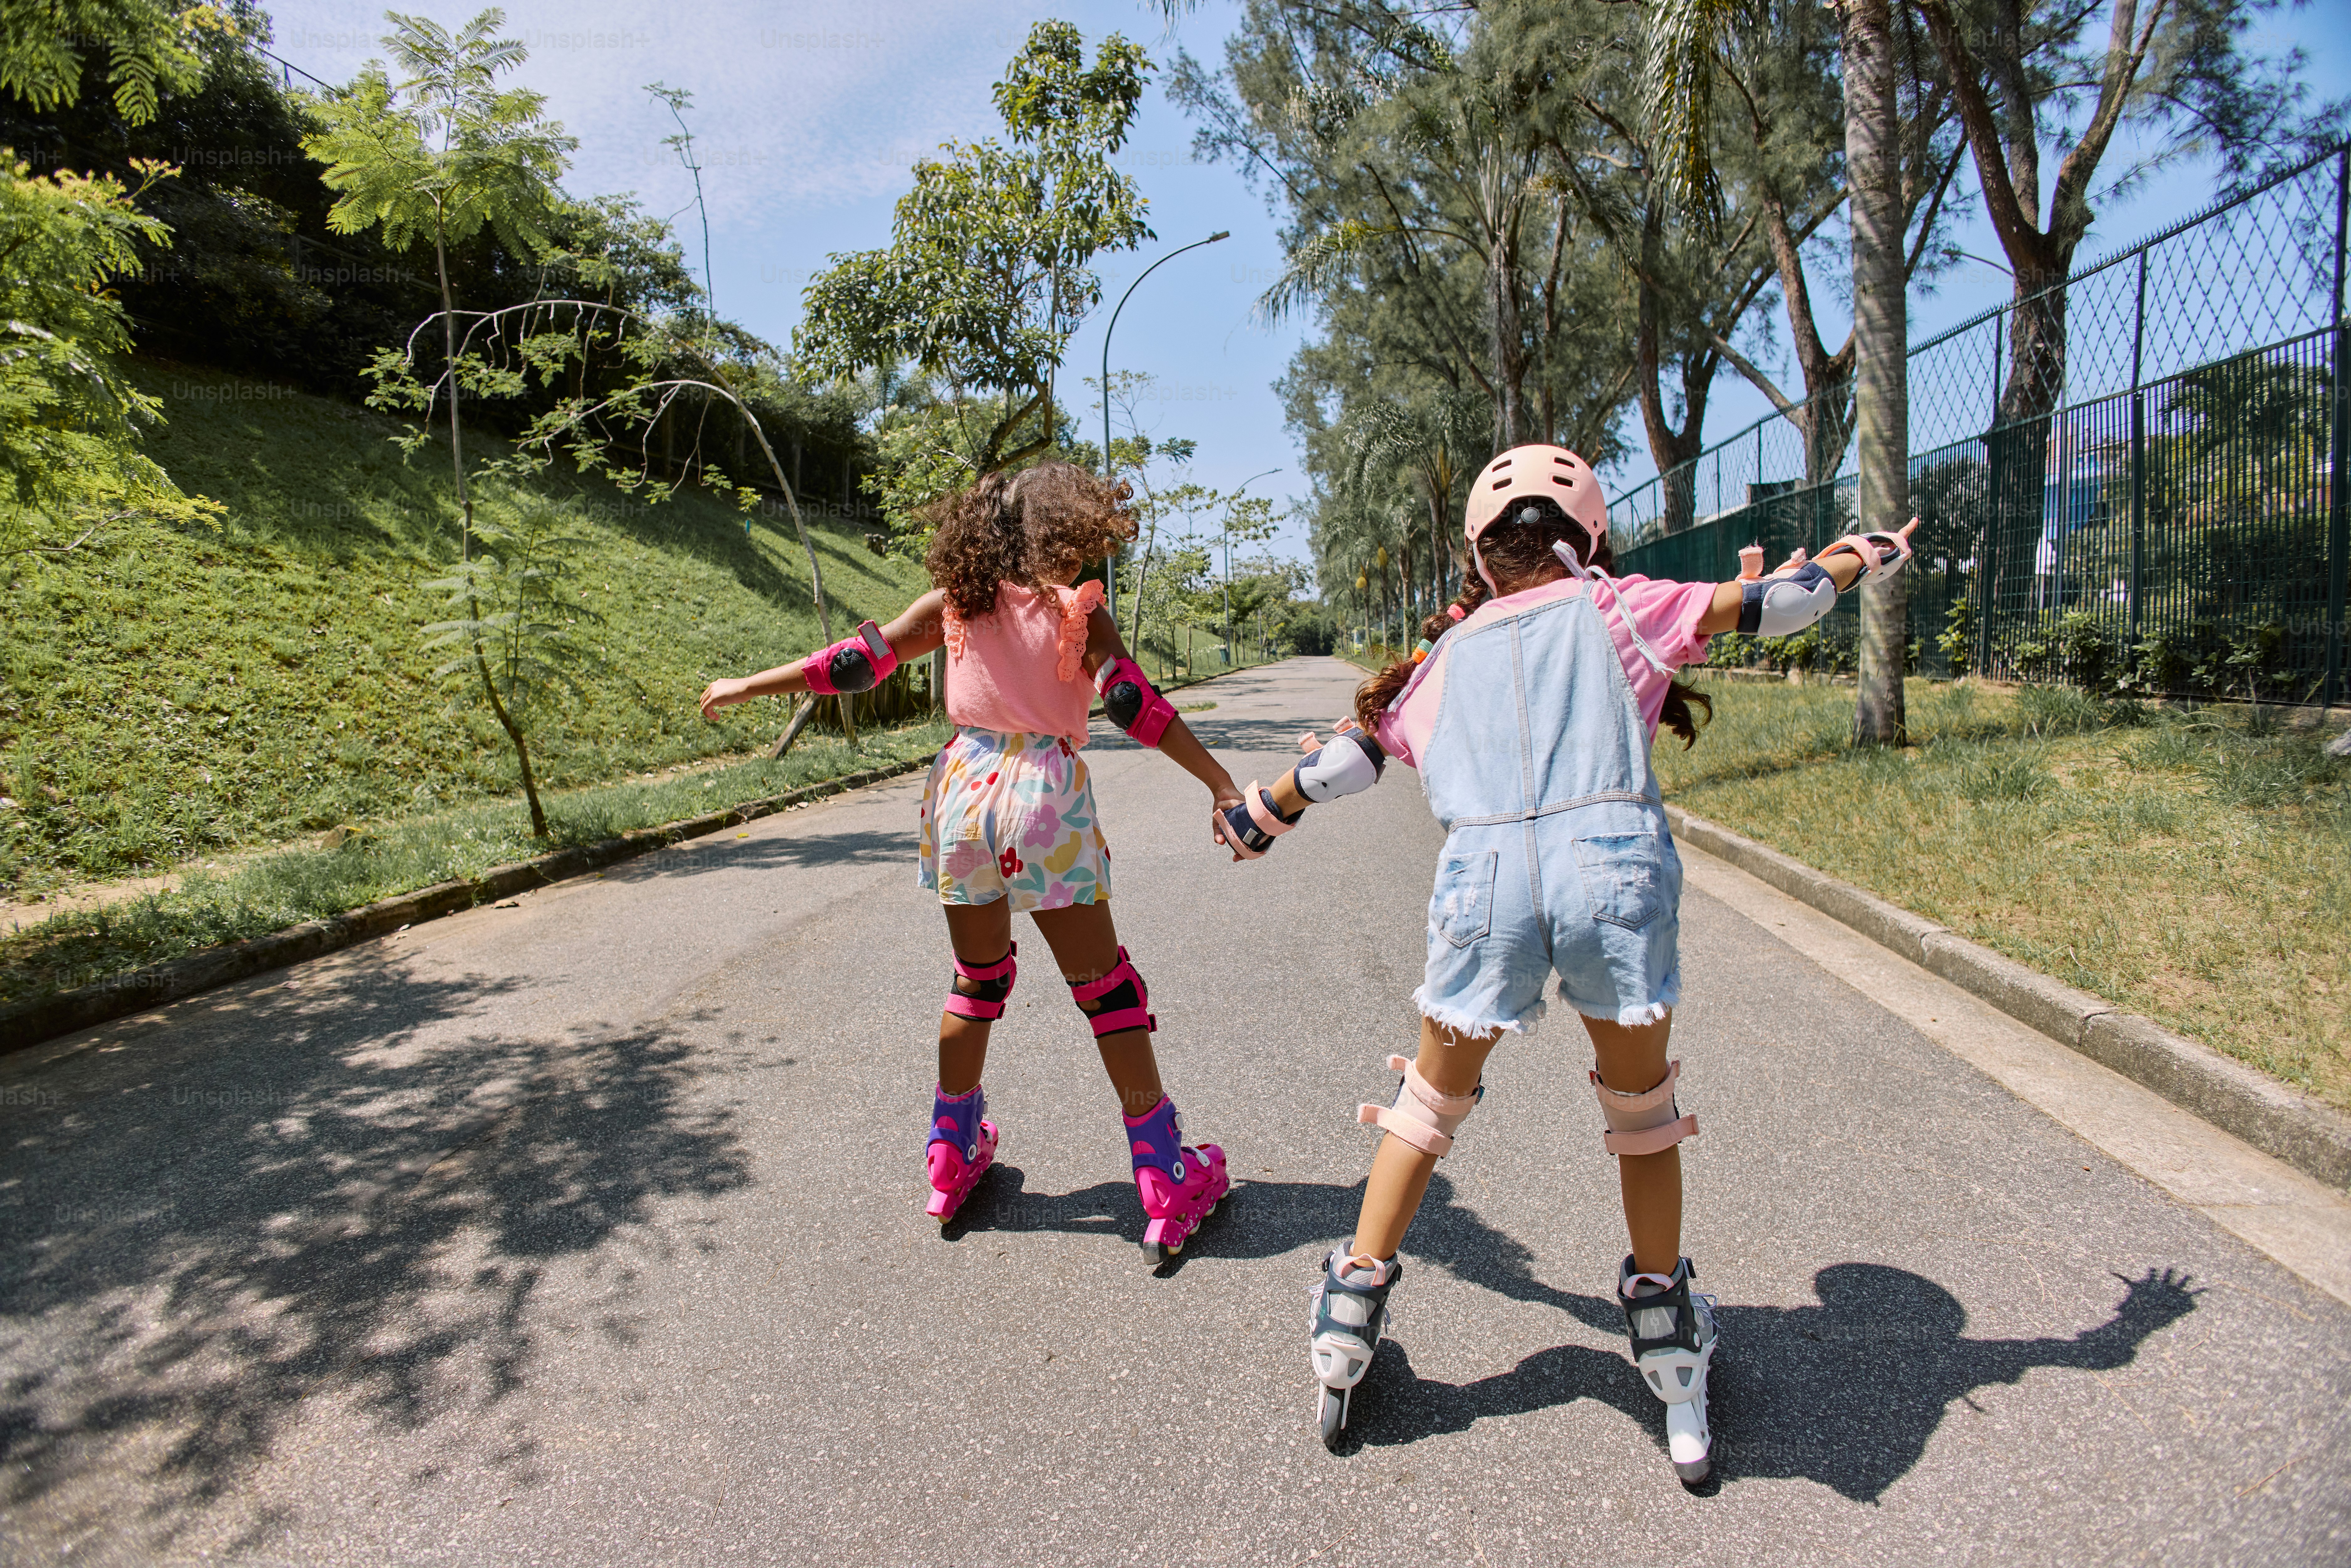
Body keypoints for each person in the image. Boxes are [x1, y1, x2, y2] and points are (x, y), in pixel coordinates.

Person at [1212, 444, 1917, 1478]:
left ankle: (1351, 1316)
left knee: (1426, 1110)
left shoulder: (1446, 655)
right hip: (1611, 878)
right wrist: (1865, 552)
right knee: (1642, 1115)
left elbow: (1347, 762)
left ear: (1480, 557)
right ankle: (1670, 1340)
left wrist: (1262, 813)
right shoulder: (1624, 603)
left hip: (1483, 888)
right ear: (1588, 535)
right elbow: (1790, 602)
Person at [699, 461, 1250, 1262]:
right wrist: (1221, 781)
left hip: (961, 790)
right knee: (1106, 990)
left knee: (979, 980)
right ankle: (1164, 1171)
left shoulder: (956, 605)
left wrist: (750, 684)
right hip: (1043, 794)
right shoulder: (1076, 614)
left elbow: (855, 661)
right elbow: (1130, 702)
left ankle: (951, 1149)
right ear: (1066, 529)